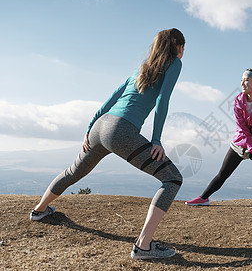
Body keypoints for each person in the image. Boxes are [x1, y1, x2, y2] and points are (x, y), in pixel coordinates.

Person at [30, 28, 186, 260]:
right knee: (172, 178)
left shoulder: (141, 67)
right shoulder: (174, 63)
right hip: (120, 130)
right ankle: (143, 246)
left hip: (101, 126)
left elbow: (111, 98)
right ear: (179, 47)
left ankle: (39, 211)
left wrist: (89, 128)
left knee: (73, 172)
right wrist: (156, 140)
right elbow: (163, 100)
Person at [186, 68, 252, 212]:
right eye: (241, 80)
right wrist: (251, 148)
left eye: (246, 80)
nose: (242, 84)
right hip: (240, 144)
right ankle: (204, 198)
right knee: (223, 173)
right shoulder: (238, 100)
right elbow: (242, 128)